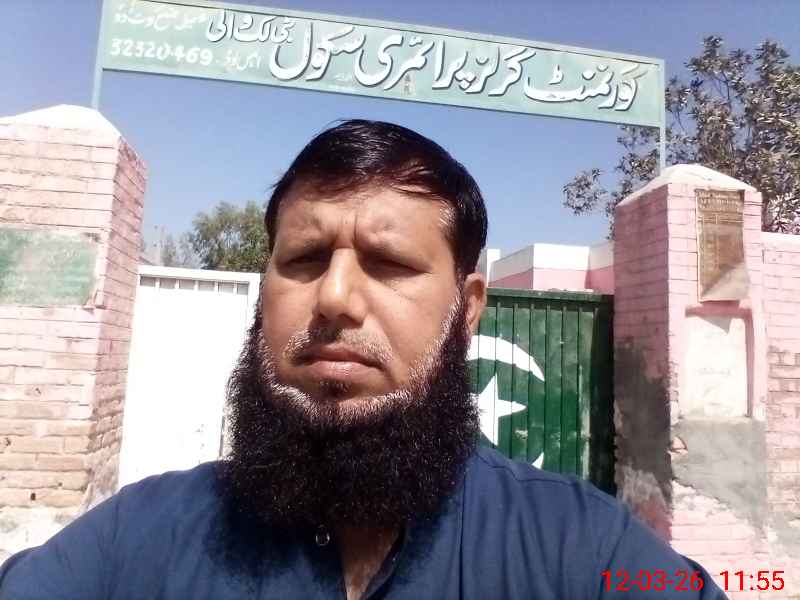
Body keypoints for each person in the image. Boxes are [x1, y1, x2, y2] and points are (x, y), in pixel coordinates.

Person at [0, 120, 726, 599]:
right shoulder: (135, 539)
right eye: (304, 259)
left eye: (389, 263)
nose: (335, 297)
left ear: (467, 307)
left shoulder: (585, 551)